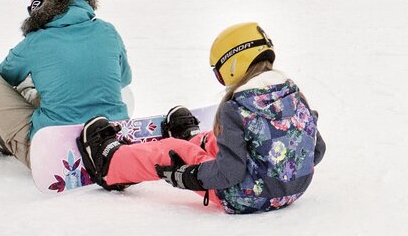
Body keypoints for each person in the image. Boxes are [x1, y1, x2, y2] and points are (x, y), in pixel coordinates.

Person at [76, 22, 324, 214]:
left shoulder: (236, 108)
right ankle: (196, 141)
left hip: (246, 198)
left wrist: (189, 176)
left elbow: (230, 174)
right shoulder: (293, 93)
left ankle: (110, 164)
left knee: (171, 151)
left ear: (232, 63)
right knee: (225, 140)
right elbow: (317, 149)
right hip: (294, 190)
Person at [0, 0, 132, 167]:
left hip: (52, 150)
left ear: (38, 4)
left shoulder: (36, 41)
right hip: (108, 142)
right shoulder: (108, 30)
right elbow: (124, 79)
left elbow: (2, 80)